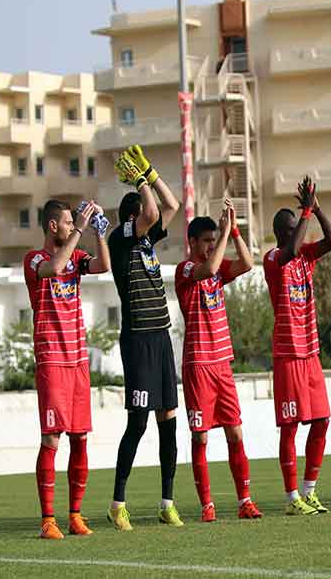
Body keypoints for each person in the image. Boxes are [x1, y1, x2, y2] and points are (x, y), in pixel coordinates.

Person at [106, 145, 183, 531]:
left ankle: (166, 501)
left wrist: (150, 172)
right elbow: (153, 212)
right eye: (141, 216)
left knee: (169, 419)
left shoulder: (146, 241)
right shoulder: (120, 239)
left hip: (161, 337)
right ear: (132, 218)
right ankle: (118, 502)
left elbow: (171, 204)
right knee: (138, 423)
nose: (149, 222)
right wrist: (138, 181)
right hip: (137, 340)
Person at [25, 199, 110, 539]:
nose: (73, 225)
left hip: (77, 362)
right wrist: (80, 229)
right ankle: (48, 520)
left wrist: (100, 232)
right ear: (53, 227)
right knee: (51, 438)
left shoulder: (76, 257)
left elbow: (102, 266)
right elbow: (54, 269)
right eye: (67, 222)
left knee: (80, 438)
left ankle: (75, 514)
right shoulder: (34, 259)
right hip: (52, 362)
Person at [175, 199, 262, 522]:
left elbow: (248, 264)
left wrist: (235, 230)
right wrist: (224, 232)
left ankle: (245, 501)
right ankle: (207, 505)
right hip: (198, 365)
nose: (212, 245)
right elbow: (209, 268)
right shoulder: (186, 270)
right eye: (207, 240)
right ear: (193, 243)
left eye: (214, 240)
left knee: (235, 433)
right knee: (201, 436)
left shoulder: (217, 270)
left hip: (222, 363)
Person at [263, 176, 331, 515]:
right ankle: (292, 497)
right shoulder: (274, 258)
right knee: (290, 426)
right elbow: (291, 249)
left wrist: (316, 209)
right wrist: (305, 209)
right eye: (294, 226)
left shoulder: (307, 256)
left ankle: (309, 490)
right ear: (283, 232)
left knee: (322, 419)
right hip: (288, 355)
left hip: (310, 353)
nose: (300, 231)